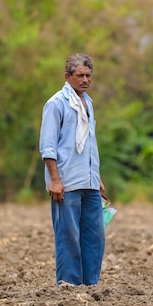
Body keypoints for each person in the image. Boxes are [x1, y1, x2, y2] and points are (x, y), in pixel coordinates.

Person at [39, 53, 106, 286]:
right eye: (80, 75)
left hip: (88, 181)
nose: (85, 80)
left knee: (95, 236)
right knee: (69, 237)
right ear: (67, 77)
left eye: (88, 75)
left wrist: (96, 178)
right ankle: (69, 286)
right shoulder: (56, 103)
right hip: (66, 183)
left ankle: (90, 286)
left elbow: (90, 143)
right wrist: (55, 181)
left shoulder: (88, 103)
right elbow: (48, 147)